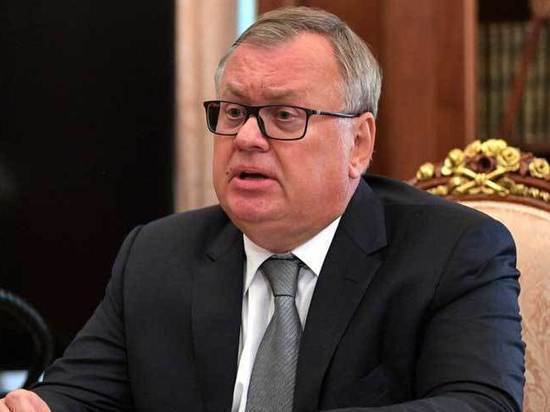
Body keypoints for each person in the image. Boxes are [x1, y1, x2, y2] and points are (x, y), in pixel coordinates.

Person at [0, 6, 524, 412]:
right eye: (234, 112)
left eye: (284, 115)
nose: (247, 138)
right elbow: (80, 394)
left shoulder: (452, 252)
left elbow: (481, 404)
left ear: (359, 143)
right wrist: (40, 406)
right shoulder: (156, 255)